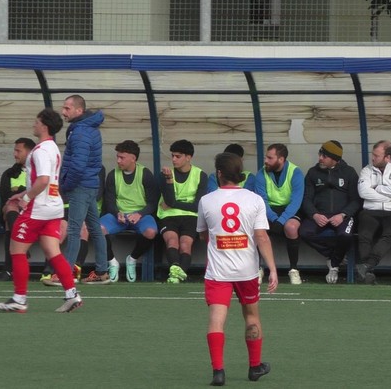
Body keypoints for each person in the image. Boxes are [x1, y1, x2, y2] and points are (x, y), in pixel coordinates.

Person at [197, 152, 278, 386]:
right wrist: (272, 268)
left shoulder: (207, 200)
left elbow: (204, 234)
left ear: (219, 173)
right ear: (240, 173)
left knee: (216, 319)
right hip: (247, 271)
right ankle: (254, 367)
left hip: (218, 272)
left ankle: (218, 372)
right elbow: (261, 237)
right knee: (251, 316)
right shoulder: (254, 200)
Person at [0, 108, 82, 313]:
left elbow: (42, 180)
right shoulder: (52, 148)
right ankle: (72, 294)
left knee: (16, 250)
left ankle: (19, 299)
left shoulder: (40, 150)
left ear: (44, 125)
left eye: (36, 121)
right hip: (53, 207)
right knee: (53, 252)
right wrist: (24, 192)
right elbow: (45, 180)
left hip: (38, 210)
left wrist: (25, 198)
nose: (33, 124)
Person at [60, 94, 109, 285]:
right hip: (89, 185)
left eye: (67, 108)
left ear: (79, 110)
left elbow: (78, 166)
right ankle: (102, 271)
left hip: (80, 186)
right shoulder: (88, 128)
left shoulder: (80, 132)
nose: (63, 112)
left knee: (74, 230)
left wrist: (66, 185)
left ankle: (64, 274)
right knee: (95, 229)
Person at [299, 140, 360, 284]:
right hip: (319, 214)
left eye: (324, 156)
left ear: (335, 159)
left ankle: (333, 264)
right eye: (320, 154)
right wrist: (314, 214)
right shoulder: (313, 173)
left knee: (345, 235)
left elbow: (356, 200)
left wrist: (343, 214)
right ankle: (334, 258)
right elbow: (306, 198)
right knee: (304, 232)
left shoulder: (349, 172)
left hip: (342, 215)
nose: (320, 158)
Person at [101, 140, 159, 282]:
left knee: (151, 232)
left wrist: (140, 214)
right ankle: (112, 262)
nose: (118, 160)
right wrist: (117, 213)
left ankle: (132, 259)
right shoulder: (112, 175)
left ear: (133, 158)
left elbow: (153, 202)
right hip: (118, 215)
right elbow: (109, 201)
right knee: (98, 229)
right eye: (118, 157)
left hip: (140, 215)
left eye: (122, 157)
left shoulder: (145, 174)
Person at [356, 140, 391, 284]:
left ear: (388, 157)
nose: (373, 158)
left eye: (376, 156)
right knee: (364, 235)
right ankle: (367, 273)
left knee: (388, 235)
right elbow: (363, 192)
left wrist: (377, 188)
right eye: (373, 155)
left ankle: (367, 266)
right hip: (371, 209)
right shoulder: (367, 170)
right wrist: (389, 198)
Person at [158, 139, 208, 283]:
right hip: (168, 215)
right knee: (172, 241)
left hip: (191, 216)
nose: (174, 159)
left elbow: (198, 204)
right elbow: (168, 200)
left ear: (188, 157)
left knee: (185, 244)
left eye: (178, 156)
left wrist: (174, 204)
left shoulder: (200, 175)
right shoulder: (166, 174)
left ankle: (177, 274)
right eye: (172, 156)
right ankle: (176, 271)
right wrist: (168, 180)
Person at [255, 143, 305, 284]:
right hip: (269, 210)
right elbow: (262, 200)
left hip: (290, 210)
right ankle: (258, 268)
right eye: (266, 157)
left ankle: (294, 270)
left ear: (281, 159)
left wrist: (281, 221)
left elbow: (296, 201)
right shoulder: (261, 173)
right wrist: (273, 218)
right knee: (258, 229)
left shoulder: (295, 172)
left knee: (291, 227)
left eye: (270, 158)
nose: (266, 160)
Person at [0, 137, 36, 281]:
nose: (15, 154)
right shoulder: (9, 173)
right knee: (10, 209)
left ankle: (48, 270)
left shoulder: (39, 172)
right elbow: (5, 197)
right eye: (15, 150)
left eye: (18, 151)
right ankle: (11, 267)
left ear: (30, 152)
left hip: (35, 212)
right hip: (15, 212)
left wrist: (21, 193)